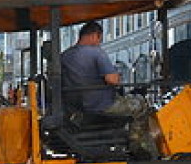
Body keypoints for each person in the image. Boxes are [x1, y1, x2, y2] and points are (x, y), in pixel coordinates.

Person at [58, 20, 153, 153]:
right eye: (99, 39)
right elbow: (112, 80)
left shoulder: (65, 56)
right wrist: (117, 76)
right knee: (140, 105)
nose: (99, 43)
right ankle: (137, 145)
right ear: (94, 35)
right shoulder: (96, 53)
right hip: (101, 105)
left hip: (77, 108)